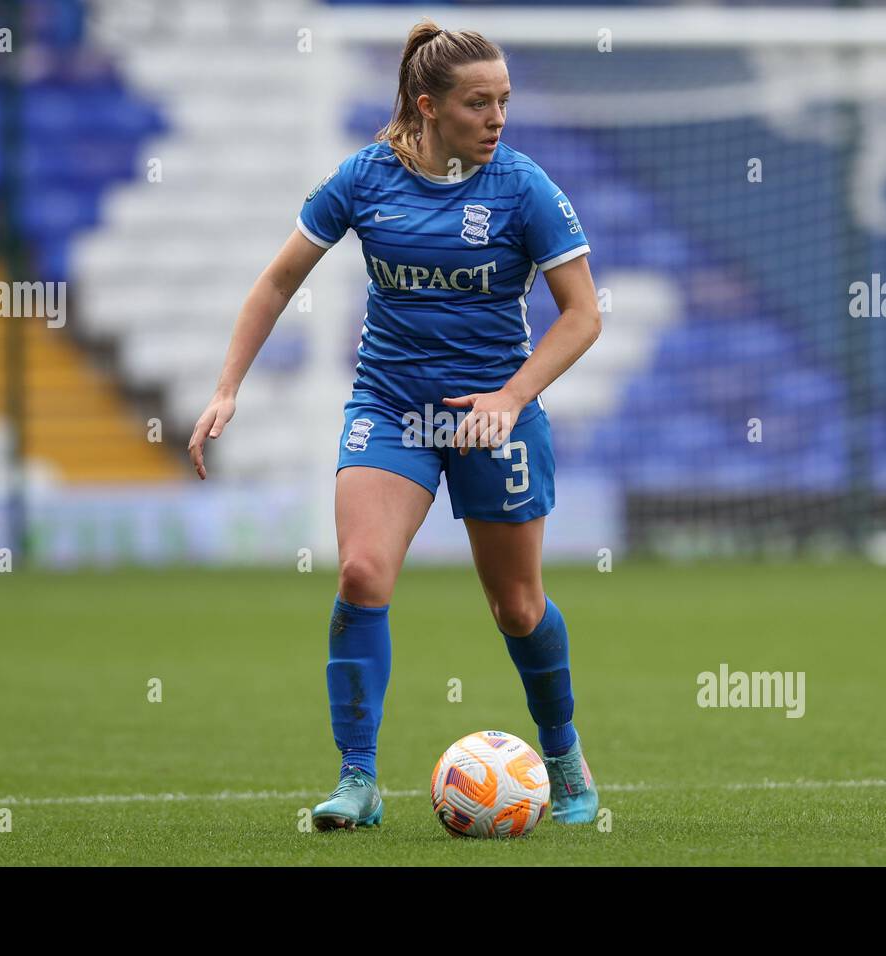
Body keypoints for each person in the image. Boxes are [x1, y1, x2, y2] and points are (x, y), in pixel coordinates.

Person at [188, 18, 602, 830]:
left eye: (505, 101)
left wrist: (511, 399)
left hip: (495, 418)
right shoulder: (365, 177)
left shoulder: (524, 188)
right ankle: (358, 779)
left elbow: (583, 316)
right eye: (478, 103)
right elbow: (276, 283)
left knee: (517, 607)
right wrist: (227, 387)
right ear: (427, 105)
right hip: (390, 409)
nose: (497, 118)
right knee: (360, 576)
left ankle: (561, 753)